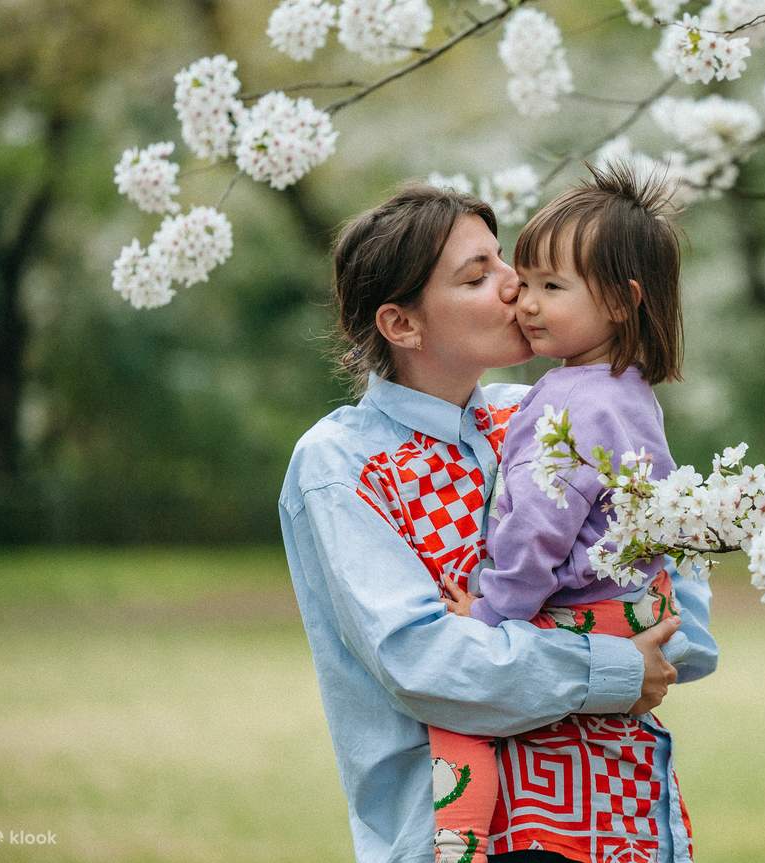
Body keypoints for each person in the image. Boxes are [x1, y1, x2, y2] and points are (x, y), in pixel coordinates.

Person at [278, 182, 717, 863]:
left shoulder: (547, 408)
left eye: (505, 260)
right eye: (478, 275)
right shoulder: (341, 464)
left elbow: (673, 591)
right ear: (402, 325)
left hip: (621, 813)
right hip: (463, 836)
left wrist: (654, 646)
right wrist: (614, 668)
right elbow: (425, 663)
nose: (516, 286)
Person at [431, 163, 696, 863]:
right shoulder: (625, 389)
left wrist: (491, 614)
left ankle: (459, 846)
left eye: (552, 287)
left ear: (622, 300)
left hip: (581, 609)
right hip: (632, 602)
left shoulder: (571, 402)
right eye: (526, 282)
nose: (526, 303)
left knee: (458, 716)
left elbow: (537, 529)